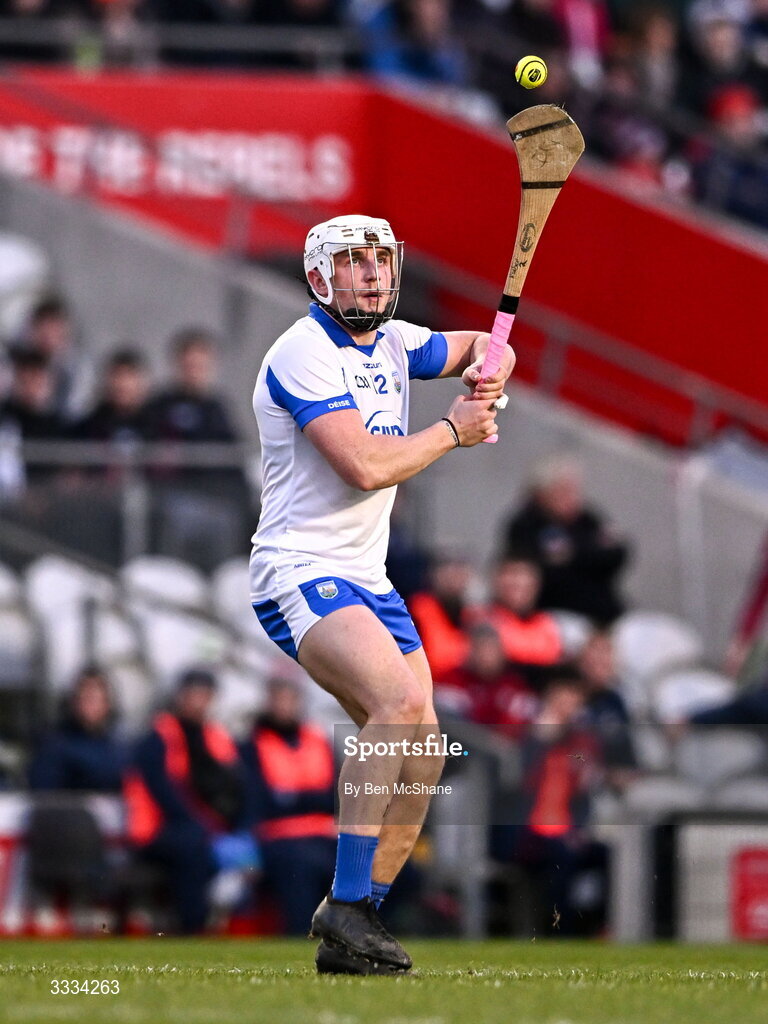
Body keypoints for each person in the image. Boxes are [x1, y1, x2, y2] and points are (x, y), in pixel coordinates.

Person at [249, 214, 514, 974]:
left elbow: (474, 346)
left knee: (426, 748)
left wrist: (493, 364)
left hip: (367, 578)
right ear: (320, 278)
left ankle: (357, 924)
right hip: (299, 568)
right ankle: (344, 904)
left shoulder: (395, 342)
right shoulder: (302, 353)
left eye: (379, 260)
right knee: (395, 705)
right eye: (353, 263)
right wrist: (453, 429)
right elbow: (363, 466)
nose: (371, 274)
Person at [123, 667, 257, 934]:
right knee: (193, 848)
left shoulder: (216, 738)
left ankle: (232, 921)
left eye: (204, 695)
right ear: (180, 697)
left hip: (204, 830)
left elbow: (239, 786)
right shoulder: (158, 738)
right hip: (156, 831)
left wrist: (238, 825)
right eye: (193, 694)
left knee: (249, 852)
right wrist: (208, 829)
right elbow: (165, 794)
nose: (198, 702)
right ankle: (192, 927)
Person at [240, 672, 337, 935]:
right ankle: (303, 938)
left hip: (323, 833)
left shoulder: (318, 742)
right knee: (302, 867)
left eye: (290, 698)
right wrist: (307, 799)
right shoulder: (252, 745)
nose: (284, 705)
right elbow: (261, 802)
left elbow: (332, 797)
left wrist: (292, 797)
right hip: (277, 837)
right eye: (278, 698)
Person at [503, 455, 631, 624]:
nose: (573, 497)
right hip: (554, 615)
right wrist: (590, 553)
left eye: (575, 490)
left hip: (605, 614)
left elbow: (618, 552)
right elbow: (546, 574)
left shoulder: (587, 518)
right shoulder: (525, 525)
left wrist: (573, 554)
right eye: (564, 490)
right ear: (543, 493)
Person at [28, 665, 126, 792]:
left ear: (107, 703)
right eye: (85, 698)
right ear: (73, 702)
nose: (90, 706)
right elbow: (44, 794)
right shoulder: (55, 745)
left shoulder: (119, 748)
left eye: (95, 699)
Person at [478, 557, 563, 680]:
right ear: (495, 581)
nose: (518, 583)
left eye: (524, 578)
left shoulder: (548, 623)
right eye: (511, 576)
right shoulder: (479, 619)